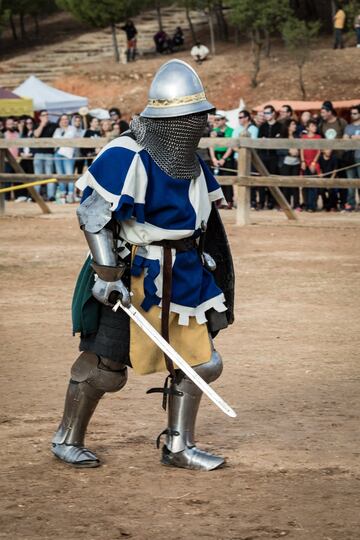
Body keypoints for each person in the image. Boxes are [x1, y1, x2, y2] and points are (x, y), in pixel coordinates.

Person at [51, 59, 234, 472]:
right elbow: (94, 214)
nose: (202, 123)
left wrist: (205, 263)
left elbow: (205, 223)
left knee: (202, 361)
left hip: (184, 273)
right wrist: (106, 275)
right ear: (173, 118)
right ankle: (67, 436)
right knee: (106, 367)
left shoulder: (192, 162)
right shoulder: (127, 153)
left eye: (201, 115)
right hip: (131, 271)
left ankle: (178, 445)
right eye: (194, 116)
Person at [319, 101, 347, 209]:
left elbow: (346, 136)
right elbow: (320, 139)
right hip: (328, 158)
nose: (322, 115)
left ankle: (344, 203)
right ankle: (331, 204)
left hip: (341, 157)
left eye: (323, 112)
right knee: (329, 182)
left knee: (343, 181)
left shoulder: (341, 122)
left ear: (330, 112)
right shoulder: (322, 124)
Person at [233, 110, 259, 209]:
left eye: (241, 117)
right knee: (239, 181)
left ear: (247, 118)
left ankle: (252, 202)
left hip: (249, 158)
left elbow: (252, 144)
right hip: (237, 158)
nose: (239, 119)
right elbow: (233, 144)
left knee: (250, 181)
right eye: (238, 117)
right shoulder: (237, 129)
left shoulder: (253, 129)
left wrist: (242, 151)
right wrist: (241, 151)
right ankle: (240, 202)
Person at [258, 105, 282, 209]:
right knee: (262, 180)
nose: (266, 115)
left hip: (274, 156)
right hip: (263, 156)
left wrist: (268, 140)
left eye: (267, 113)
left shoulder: (280, 126)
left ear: (273, 113)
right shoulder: (262, 126)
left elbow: (279, 140)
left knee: (272, 179)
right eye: (264, 113)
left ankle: (272, 202)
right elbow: (260, 140)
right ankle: (262, 202)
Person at [209, 114, 235, 208]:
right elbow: (211, 145)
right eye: (215, 120)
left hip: (226, 157)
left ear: (224, 120)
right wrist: (213, 158)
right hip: (216, 156)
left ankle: (229, 200)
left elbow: (230, 146)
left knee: (228, 178)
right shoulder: (214, 131)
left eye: (218, 119)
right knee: (217, 180)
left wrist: (223, 158)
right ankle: (219, 201)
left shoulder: (231, 130)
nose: (216, 122)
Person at [33, 110, 57, 201]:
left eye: (47, 114)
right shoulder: (37, 125)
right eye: (44, 115)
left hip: (49, 154)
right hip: (38, 154)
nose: (46, 116)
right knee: (37, 176)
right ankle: (36, 197)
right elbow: (36, 135)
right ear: (40, 117)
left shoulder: (53, 125)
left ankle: (51, 196)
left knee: (49, 176)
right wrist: (42, 125)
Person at [278, 119, 301, 211]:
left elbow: (301, 149)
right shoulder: (281, 138)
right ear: (288, 126)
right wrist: (289, 151)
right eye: (293, 124)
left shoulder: (297, 137)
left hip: (296, 163)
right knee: (285, 184)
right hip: (285, 163)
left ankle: (296, 205)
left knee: (295, 185)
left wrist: (298, 152)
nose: (295, 126)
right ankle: (286, 204)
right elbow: (278, 150)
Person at [53, 114, 77, 203]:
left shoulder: (72, 128)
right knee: (60, 175)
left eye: (66, 119)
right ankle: (62, 194)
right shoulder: (57, 130)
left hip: (68, 154)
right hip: (58, 154)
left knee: (69, 175)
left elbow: (68, 138)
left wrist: (60, 139)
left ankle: (70, 195)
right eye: (62, 119)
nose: (65, 121)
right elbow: (54, 140)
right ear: (60, 121)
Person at [300, 118, 322, 212]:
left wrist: (314, 162)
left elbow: (319, 151)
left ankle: (312, 205)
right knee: (305, 185)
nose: (314, 128)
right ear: (308, 128)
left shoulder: (318, 137)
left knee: (313, 185)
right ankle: (306, 203)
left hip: (313, 162)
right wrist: (302, 161)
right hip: (305, 162)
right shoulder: (303, 137)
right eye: (312, 126)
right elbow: (301, 149)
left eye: (315, 126)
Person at [343, 104, 360, 211]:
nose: (353, 115)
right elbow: (344, 140)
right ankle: (351, 203)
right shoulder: (348, 127)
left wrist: (355, 138)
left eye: (355, 113)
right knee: (350, 183)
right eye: (351, 113)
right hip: (349, 158)